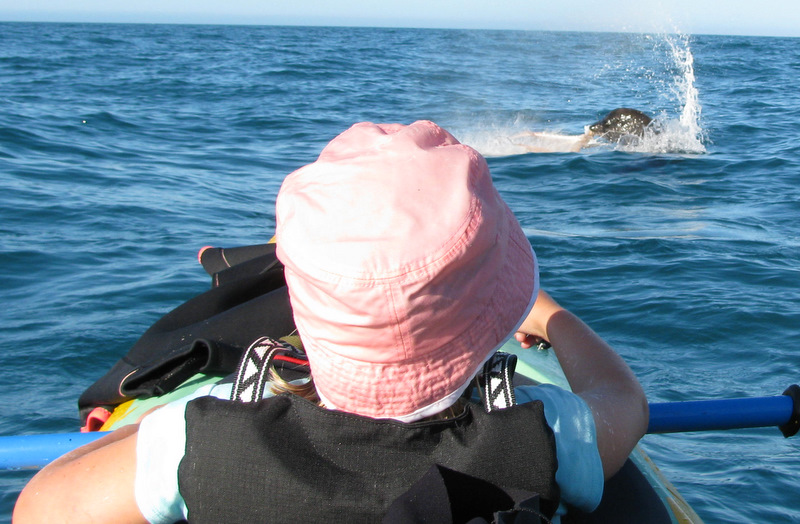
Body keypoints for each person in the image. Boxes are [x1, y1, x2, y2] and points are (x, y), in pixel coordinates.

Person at [14, 120, 648, 523]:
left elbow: (40, 508)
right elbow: (623, 402)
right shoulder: (541, 437)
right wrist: (551, 316)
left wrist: (181, 413)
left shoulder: (203, 443)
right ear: (492, 321)